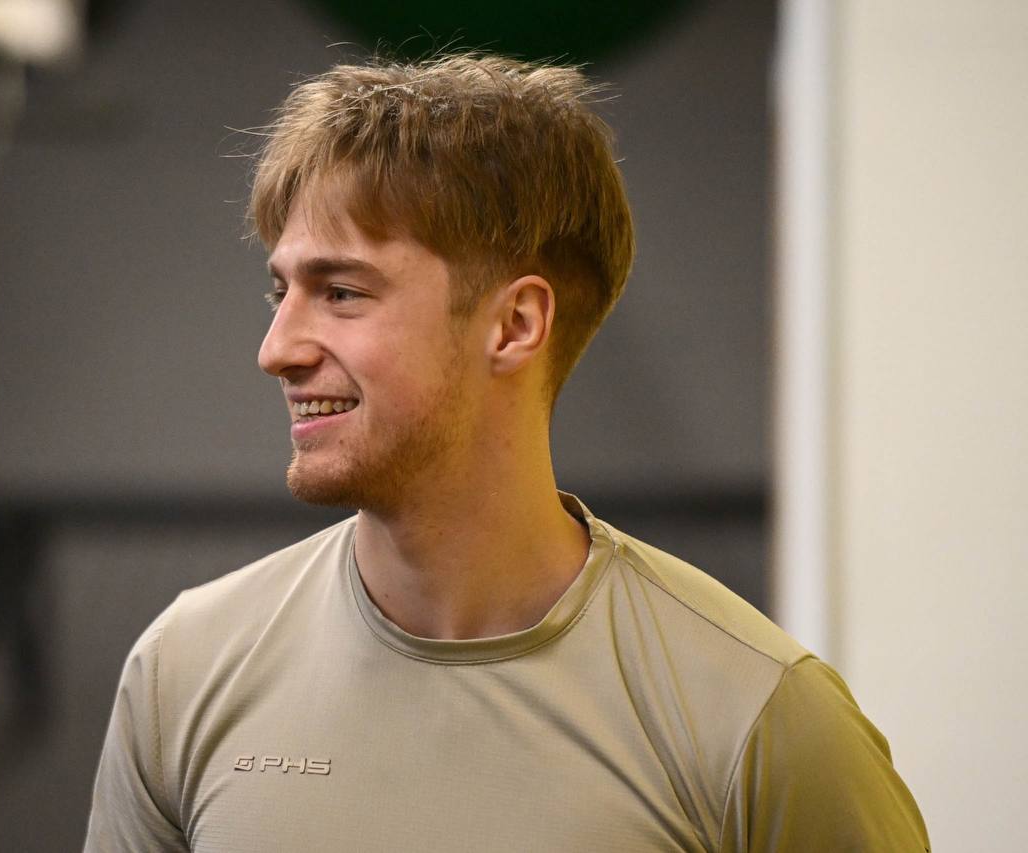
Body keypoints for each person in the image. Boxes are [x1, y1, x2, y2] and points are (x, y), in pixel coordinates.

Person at [84, 54, 929, 852]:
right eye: (281, 291)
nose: (277, 348)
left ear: (515, 324)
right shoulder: (181, 674)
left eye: (340, 292)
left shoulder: (762, 719)